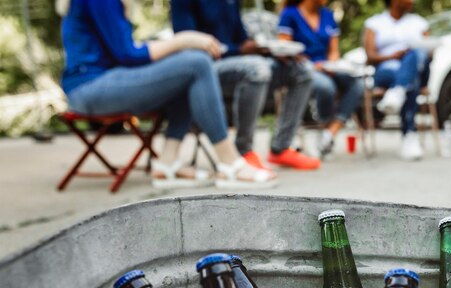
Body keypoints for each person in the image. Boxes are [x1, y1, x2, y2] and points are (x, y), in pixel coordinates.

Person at [59, 0, 276, 189]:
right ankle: (229, 163)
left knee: (184, 72)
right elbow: (127, 54)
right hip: (92, 86)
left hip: (101, 83)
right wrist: (185, 40)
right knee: (197, 62)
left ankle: (167, 162)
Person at [171, 0, 321, 171]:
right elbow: (186, 45)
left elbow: (241, 39)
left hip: (239, 62)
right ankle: (243, 152)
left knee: (302, 71)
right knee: (257, 69)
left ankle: (281, 148)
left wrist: (267, 49)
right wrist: (238, 50)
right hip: (205, 68)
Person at [278, 0, 365, 159]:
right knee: (327, 87)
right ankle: (322, 129)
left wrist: (331, 64)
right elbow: (285, 50)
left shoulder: (328, 15)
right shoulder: (290, 14)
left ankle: (328, 134)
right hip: (302, 68)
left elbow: (334, 50)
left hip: (327, 66)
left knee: (358, 83)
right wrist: (312, 65)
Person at [363, 0, 430, 161]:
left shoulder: (419, 23)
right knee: (410, 80)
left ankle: (397, 91)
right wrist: (392, 56)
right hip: (386, 70)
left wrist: (410, 56)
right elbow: (370, 56)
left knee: (415, 55)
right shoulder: (374, 23)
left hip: (420, 70)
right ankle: (409, 135)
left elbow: (429, 52)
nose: (412, 1)